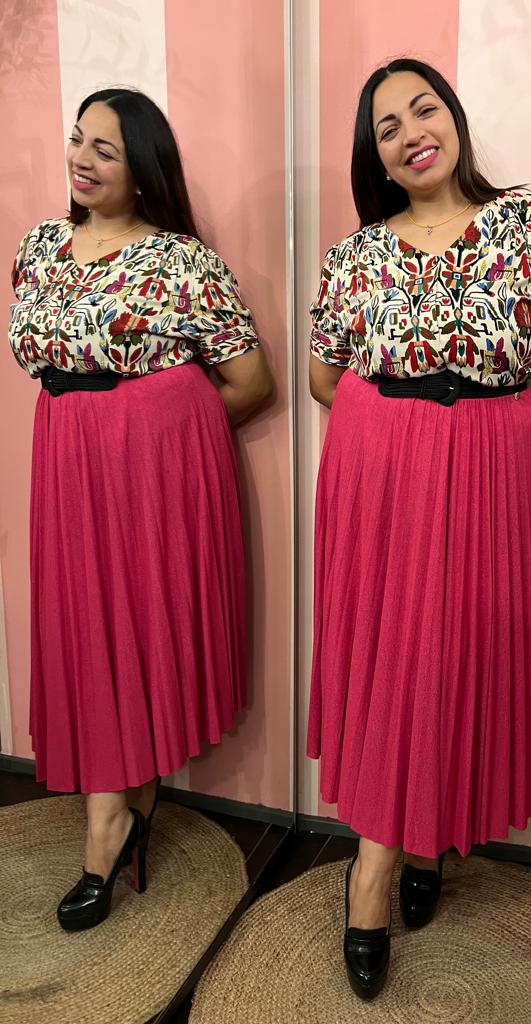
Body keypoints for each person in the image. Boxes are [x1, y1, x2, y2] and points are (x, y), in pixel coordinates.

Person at [307, 58, 531, 999]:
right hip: (376, 472)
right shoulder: (355, 255)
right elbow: (323, 376)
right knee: (390, 655)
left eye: (422, 109)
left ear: (455, 117)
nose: (410, 134)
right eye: (387, 128)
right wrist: (396, 436)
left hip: (486, 473)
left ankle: (427, 830)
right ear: (377, 157)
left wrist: (493, 435)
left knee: (457, 650)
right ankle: (374, 871)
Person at [9, 88, 272, 931]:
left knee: (138, 625)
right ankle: (130, 803)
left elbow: (250, 383)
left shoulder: (182, 262)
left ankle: (108, 828)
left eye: (107, 149)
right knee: (86, 630)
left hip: (147, 477)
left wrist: (159, 441)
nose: (82, 159)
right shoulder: (40, 246)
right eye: (77, 140)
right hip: (65, 466)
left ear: (145, 168)